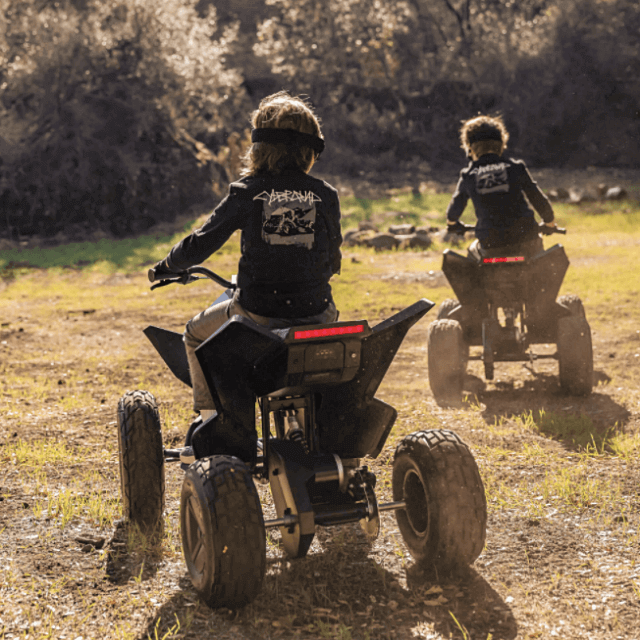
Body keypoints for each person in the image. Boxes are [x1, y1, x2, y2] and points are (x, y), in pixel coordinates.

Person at [151, 92, 342, 459]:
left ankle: (212, 422)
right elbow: (333, 261)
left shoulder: (247, 192)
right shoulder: (325, 195)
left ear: (259, 146)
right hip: (317, 312)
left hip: (257, 314)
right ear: (311, 149)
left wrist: (167, 265)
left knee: (193, 334)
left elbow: (199, 244)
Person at [445, 115, 557, 259]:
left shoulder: (469, 175)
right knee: (537, 256)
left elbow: (456, 207)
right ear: (501, 143)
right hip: (526, 239)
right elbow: (536, 197)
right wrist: (549, 222)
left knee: (473, 251)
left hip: (491, 243)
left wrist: (452, 224)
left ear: (470, 148)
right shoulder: (516, 167)